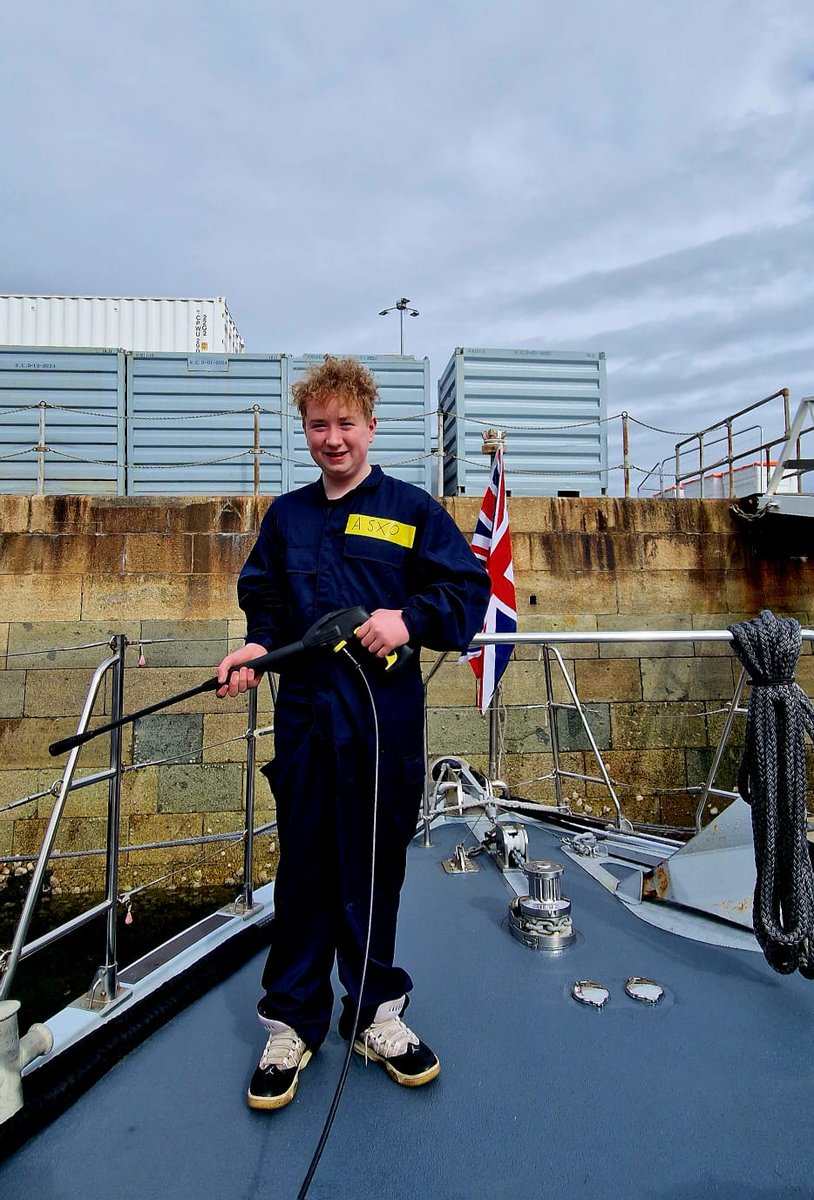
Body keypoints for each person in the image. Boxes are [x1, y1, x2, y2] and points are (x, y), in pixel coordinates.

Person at [216, 355, 490, 1111]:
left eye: (345, 424)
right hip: (305, 723)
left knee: (373, 873)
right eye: (318, 425)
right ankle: (291, 1024)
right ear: (305, 432)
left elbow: (468, 592)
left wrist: (411, 617)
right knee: (303, 873)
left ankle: (375, 1014)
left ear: (371, 426)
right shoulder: (288, 517)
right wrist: (255, 647)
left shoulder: (411, 509)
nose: (332, 438)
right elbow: (262, 593)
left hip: (381, 724)